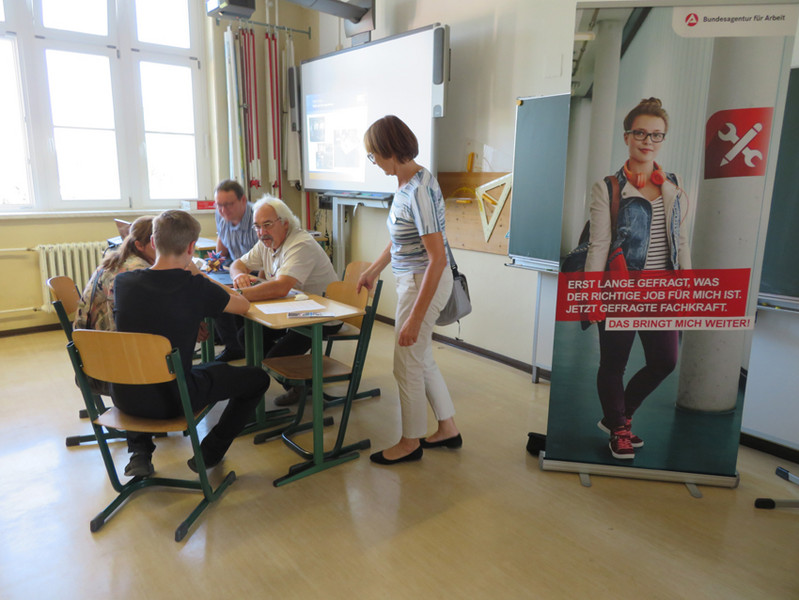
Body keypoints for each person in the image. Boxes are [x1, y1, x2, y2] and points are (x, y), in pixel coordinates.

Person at [113, 210, 270, 476]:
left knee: (144, 368)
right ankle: (210, 451)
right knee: (257, 378)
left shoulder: (123, 283)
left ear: (153, 242)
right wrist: (201, 277)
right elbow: (243, 305)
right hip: (174, 399)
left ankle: (140, 452)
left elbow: (153, 317)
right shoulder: (195, 286)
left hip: (124, 397)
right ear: (191, 247)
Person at [585, 97, 691, 460]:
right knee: (614, 363)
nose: (648, 141)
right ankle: (619, 429)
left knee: (665, 361)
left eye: (656, 135)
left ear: (663, 139)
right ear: (627, 136)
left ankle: (620, 415)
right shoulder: (608, 187)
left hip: (663, 289)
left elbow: (681, 241)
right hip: (621, 288)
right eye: (641, 133)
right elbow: (599, 245)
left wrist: (689, 288)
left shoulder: (674, 186)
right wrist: (591, 295)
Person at [356, 115, 461, 466]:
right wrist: (373, 270)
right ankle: (447, 428)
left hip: (422, 283)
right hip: (412, 279)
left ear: (389, 150)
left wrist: (415, 319)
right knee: (420, 358)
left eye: (373, 155)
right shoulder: (405, 184)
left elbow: (437, 259)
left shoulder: (418, 191)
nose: (373, 162)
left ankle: (410, 442)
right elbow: (401, 239)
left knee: (406, 365)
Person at [229, 195, 340, 406]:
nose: (261, 232)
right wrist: (239, 276)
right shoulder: (266, 242)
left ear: (285, 223)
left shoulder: (300, 243)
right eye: (257, 226)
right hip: (290, 312)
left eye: (267, 224)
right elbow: (237, 264)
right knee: (246, 336)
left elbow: (281, 287)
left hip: (322, 316)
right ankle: (297, 384)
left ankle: (301, 388)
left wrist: (238, 294)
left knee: (276, 358)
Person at [74, 215, 156, 332]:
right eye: (157, 243)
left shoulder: (119, 259)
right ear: (139, 245)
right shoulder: (137, 270)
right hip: (105, 338)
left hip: (87, 333)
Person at [212, 179, 260, 362]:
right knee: (212, 287)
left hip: (258, 270)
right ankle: (233, 345)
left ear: (243, 200)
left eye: (229, 204)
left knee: (225, 294)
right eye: (219, 205)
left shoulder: (257, 216)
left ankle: (238, 345)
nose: (223, 210)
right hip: (235, 268)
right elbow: (223, 239)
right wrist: (213, 265)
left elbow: (267, 256)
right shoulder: (221, 215)